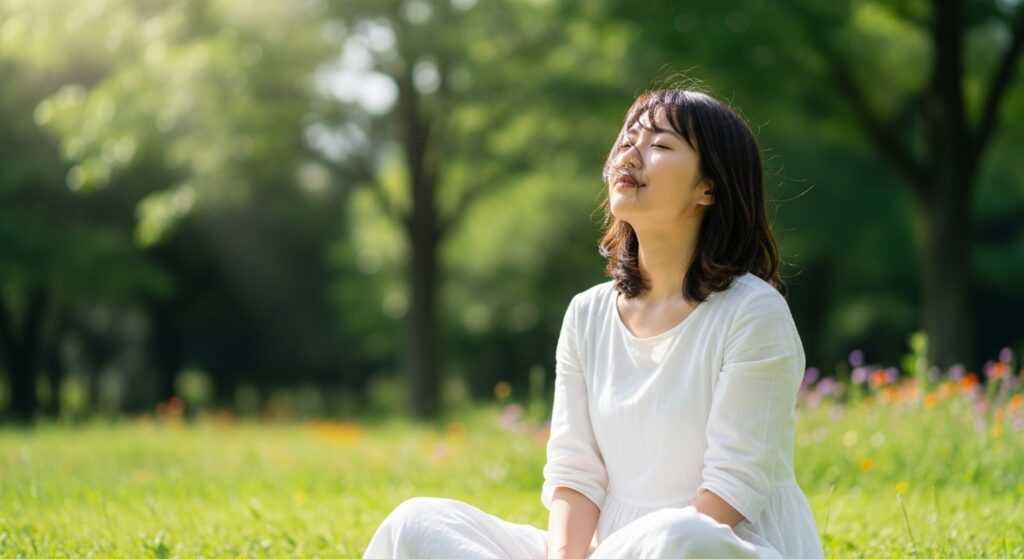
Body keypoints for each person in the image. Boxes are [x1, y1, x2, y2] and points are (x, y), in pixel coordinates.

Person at [361, 88, 825, 558]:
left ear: (709, 188)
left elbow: (733, 490)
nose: (630, 153)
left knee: (679, 537)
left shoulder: (752, 312)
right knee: (416, 522)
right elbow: (575, 472)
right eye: (628, 139)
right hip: (606, 551)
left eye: (660, 146)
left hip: (715, 543)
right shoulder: (587, 313)